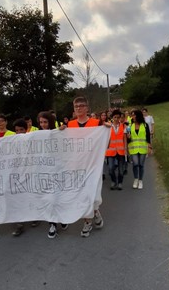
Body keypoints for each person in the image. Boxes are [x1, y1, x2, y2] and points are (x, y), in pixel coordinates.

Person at [68, 97, 110, 237]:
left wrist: (107, 130)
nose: (78, 108)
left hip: (93, 166)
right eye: (76, 106)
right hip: (77, 165)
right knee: (81, 195)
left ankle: (94, 212)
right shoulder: (70, 125)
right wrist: (60, 131)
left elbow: (105, 142)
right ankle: (89, 220)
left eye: (81, 106)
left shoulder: (96, 123)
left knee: (92, 194)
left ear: (87, 108)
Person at [38, 111, 69, 239]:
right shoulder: (37, 135)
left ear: (50, 122)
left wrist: (62, 130)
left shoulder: (57, 133)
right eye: (41, 122)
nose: (43, 125)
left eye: (45, 122)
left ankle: (61, 218)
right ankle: (52, 224)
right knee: (49, 199)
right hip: (44, 172)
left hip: (57, 170)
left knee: (58, 197)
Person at [11, 119, 40, 236]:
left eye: (21, 130)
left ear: (26, 129)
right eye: (16, 130)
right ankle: (20, 224)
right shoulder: (11, 142)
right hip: (17, 174)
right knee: (18, 198)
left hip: (30, 173)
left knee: (30, 195)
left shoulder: (32, 140)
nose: (19, 132)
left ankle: (34, 216)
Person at [127, 110, 152, 190]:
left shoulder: (145, 125)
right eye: (132, 116)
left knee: (141, 165)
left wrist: (149, 147)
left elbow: (148, 137)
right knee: (135, 164)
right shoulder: (130, 126)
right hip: (133, 148)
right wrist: (128, 137)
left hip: (142, 148)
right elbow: (128, 139)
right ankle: (136, 179)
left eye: (134, 115)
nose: (132, 117)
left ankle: (140, 181)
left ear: (138, 116)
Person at [105, 110, 127, 190]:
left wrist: (126, 149)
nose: (117, 119)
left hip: (120, 150)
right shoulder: (109, 126)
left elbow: (124, 138)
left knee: (121, 170)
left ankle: (120, 182)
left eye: (118, 117)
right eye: (115, 117)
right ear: (112, 118)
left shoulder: (123, 126)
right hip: (111, 150)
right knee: (111, 169)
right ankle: (114, 181)